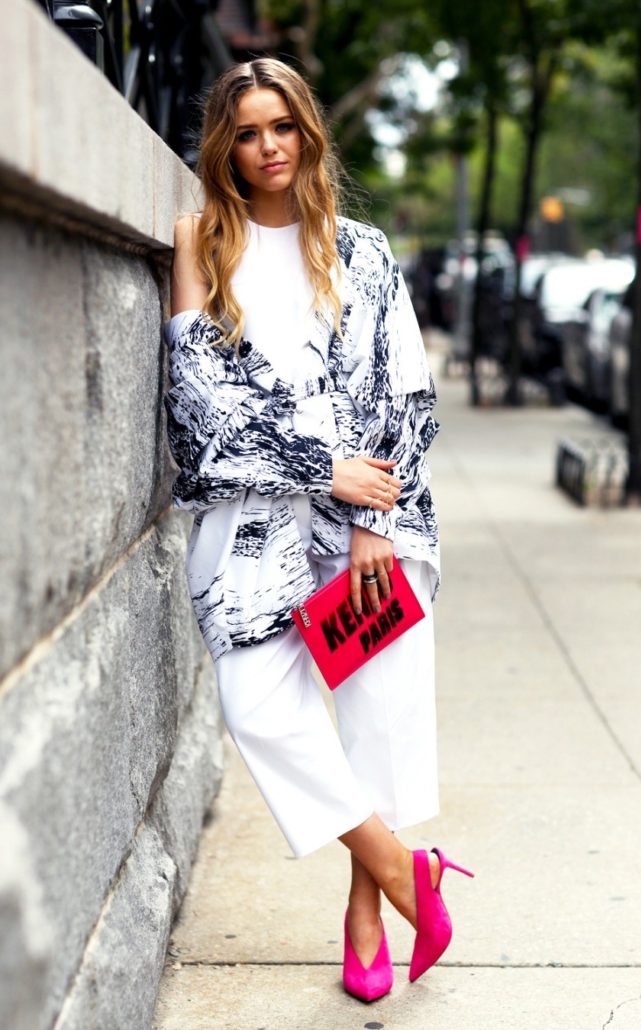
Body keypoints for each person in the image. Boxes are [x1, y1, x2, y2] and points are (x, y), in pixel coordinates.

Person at [164, 57, 473, 1003]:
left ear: (308, 133)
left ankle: (365, 916)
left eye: (283, 126)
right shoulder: (200, 243)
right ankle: (404, 870)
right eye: (247, 132)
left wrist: (370, 513)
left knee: (376, 719)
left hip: (375, 517)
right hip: (254, 523)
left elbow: (404, 389)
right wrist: (316, 468)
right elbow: (197, 403)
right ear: (225, 147)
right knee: (257, 706)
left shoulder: (362, 250)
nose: (268, 147)